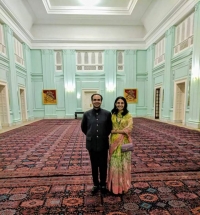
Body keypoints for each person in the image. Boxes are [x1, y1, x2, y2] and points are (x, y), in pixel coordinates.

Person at [81, 93, 112, 195]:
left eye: (98, 99)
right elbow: (84, 128)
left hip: (103, 143)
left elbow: (109, 128)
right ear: (92, 101)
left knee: (103, 165)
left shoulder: (107, 114)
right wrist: (91, 135)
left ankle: (103, 184)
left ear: (101, 101)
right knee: (94, 165)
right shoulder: (87, 114)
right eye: (95, 99)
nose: (96, 101)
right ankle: (95, 184)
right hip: (92, 144)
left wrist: (102, 135)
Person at [107, 96, 133, 195]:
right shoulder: (112, 115)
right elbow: (109, 127)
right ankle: (114, 186)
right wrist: (115, 131)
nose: (120, 104)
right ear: (115, 104)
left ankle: (123, 186)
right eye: (118, 103)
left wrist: (115, 131)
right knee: (114, 163)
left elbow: (129, 129)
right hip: (113, 141)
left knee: (124, 164)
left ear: (125, 104)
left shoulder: (128, 115)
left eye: (122, 103)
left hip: (125, 142)